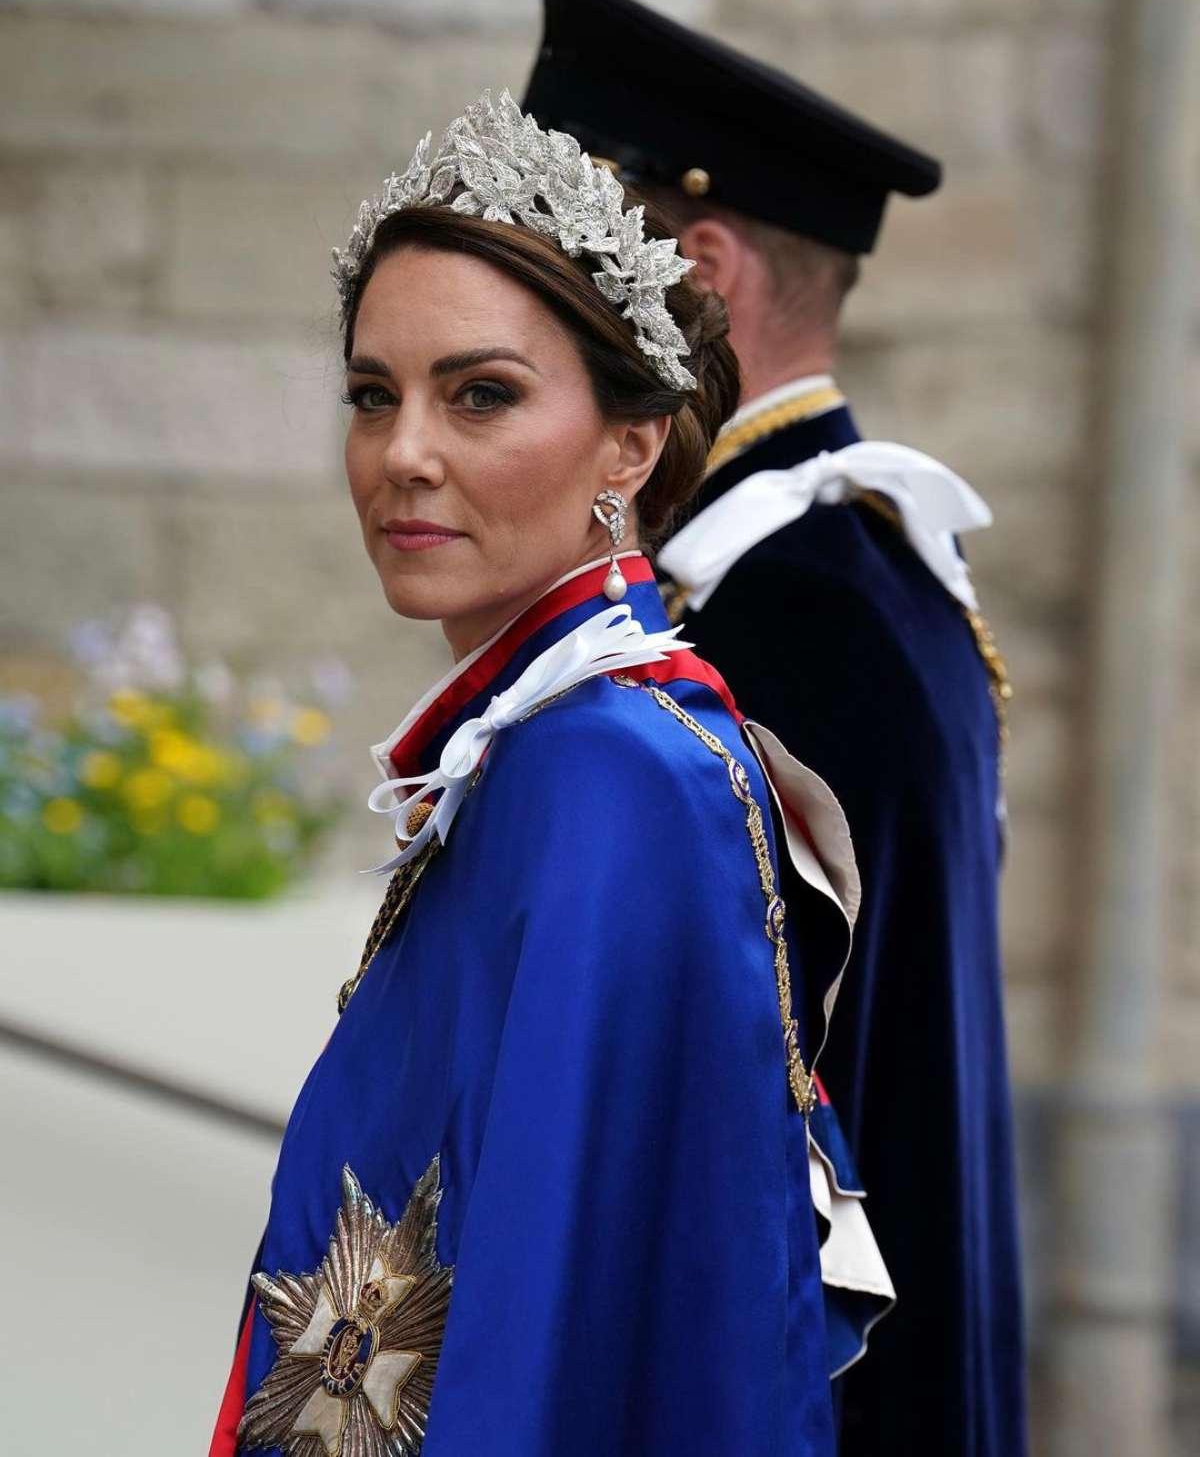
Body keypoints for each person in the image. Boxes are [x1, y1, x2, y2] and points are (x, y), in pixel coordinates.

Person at [209, 89, 892, 1457]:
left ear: (630, 447)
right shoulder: (547, 744)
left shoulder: (614, 778)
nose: (403, 455)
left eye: (482, 395)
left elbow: (554, 1316)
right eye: (370, 395)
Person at [523, 0, 1026, 1456]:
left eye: (558, 265)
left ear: (704, 274)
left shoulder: (782, 611)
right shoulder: (834, 569)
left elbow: (738, 1130)